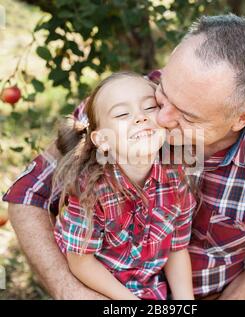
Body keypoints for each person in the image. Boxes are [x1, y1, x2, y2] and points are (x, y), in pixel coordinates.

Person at [3, 14, 245, 300]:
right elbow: (29, 192)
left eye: (186, 115)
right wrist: (70, 291)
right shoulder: (126, 101)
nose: (161, 117)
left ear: (241, 118)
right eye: (164, 93)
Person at [51, 71, 196, 300]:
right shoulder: (90, 190)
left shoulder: (176, 179)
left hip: (149, 288)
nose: (140, 118)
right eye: (122, 114)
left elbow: (177, 248)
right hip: (98, 289)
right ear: (103, 140)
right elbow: (81, 263)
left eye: (149, 108)